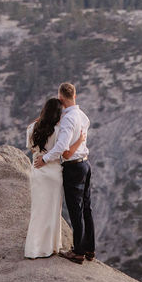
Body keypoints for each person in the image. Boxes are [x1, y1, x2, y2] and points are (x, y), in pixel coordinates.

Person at [34, 82, 93, 264]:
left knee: (75, 211)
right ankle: (90, 249)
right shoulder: (83, 116)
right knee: (87, 209)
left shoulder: (68, 119)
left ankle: (78, 252)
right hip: (85, 164)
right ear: (75, 95)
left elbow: (62, 147)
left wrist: (44, 159)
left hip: (73, 167)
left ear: (61, 98)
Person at [24, 97, 86, 259]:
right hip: (54, 173)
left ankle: (34, 248)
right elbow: (63, 151)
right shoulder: (58, 130)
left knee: (38, 210)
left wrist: (41, 156)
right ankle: (51, 247)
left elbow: (31, 149)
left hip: (38, 172)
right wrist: (80, 140)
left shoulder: (32, 128)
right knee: (53, 211)